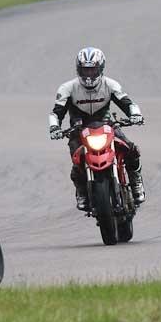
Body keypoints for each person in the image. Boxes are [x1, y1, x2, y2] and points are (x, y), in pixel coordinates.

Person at [48, 47, 145, 211]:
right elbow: (57, 112)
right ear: (78, 69)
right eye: (85, 70)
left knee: (131, 148)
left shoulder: (110, 84)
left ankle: (136, 180)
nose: (89, 75)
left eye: (92, 69)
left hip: (107, 126)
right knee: (76, 161)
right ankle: (81, 192)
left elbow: (127, 103)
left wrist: (135, 115)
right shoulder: (67, 88)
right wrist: (54, 127)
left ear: (100, 68)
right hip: (79, 130)